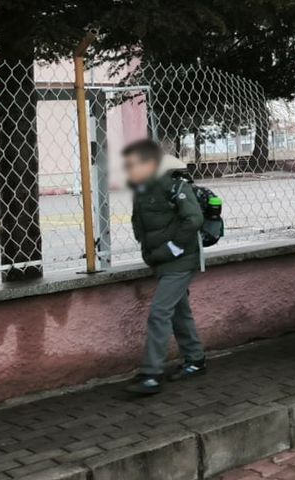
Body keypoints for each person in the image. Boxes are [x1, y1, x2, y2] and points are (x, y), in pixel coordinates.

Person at [121, 139, 207, 395]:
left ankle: (151, 373)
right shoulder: (142, 189)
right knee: (179, 311)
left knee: (159, 312)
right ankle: (195, 359)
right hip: (163, 262)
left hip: (180, 261)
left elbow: (194, 219)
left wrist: (173, 248)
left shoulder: (174, 186)